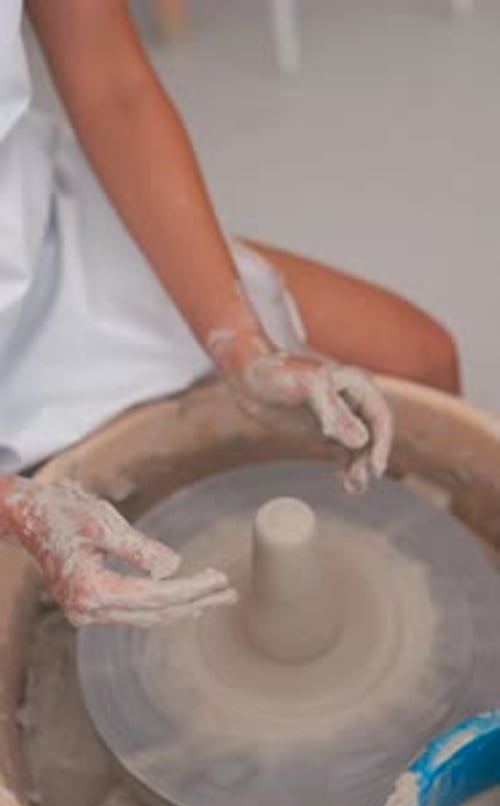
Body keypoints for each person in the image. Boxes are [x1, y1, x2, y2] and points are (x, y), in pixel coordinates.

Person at [0, 0, 460, 628]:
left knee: (417, 361)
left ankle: (425, 604)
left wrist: (245, 348)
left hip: (37, 235)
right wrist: (15, 507)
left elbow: (110, 81)